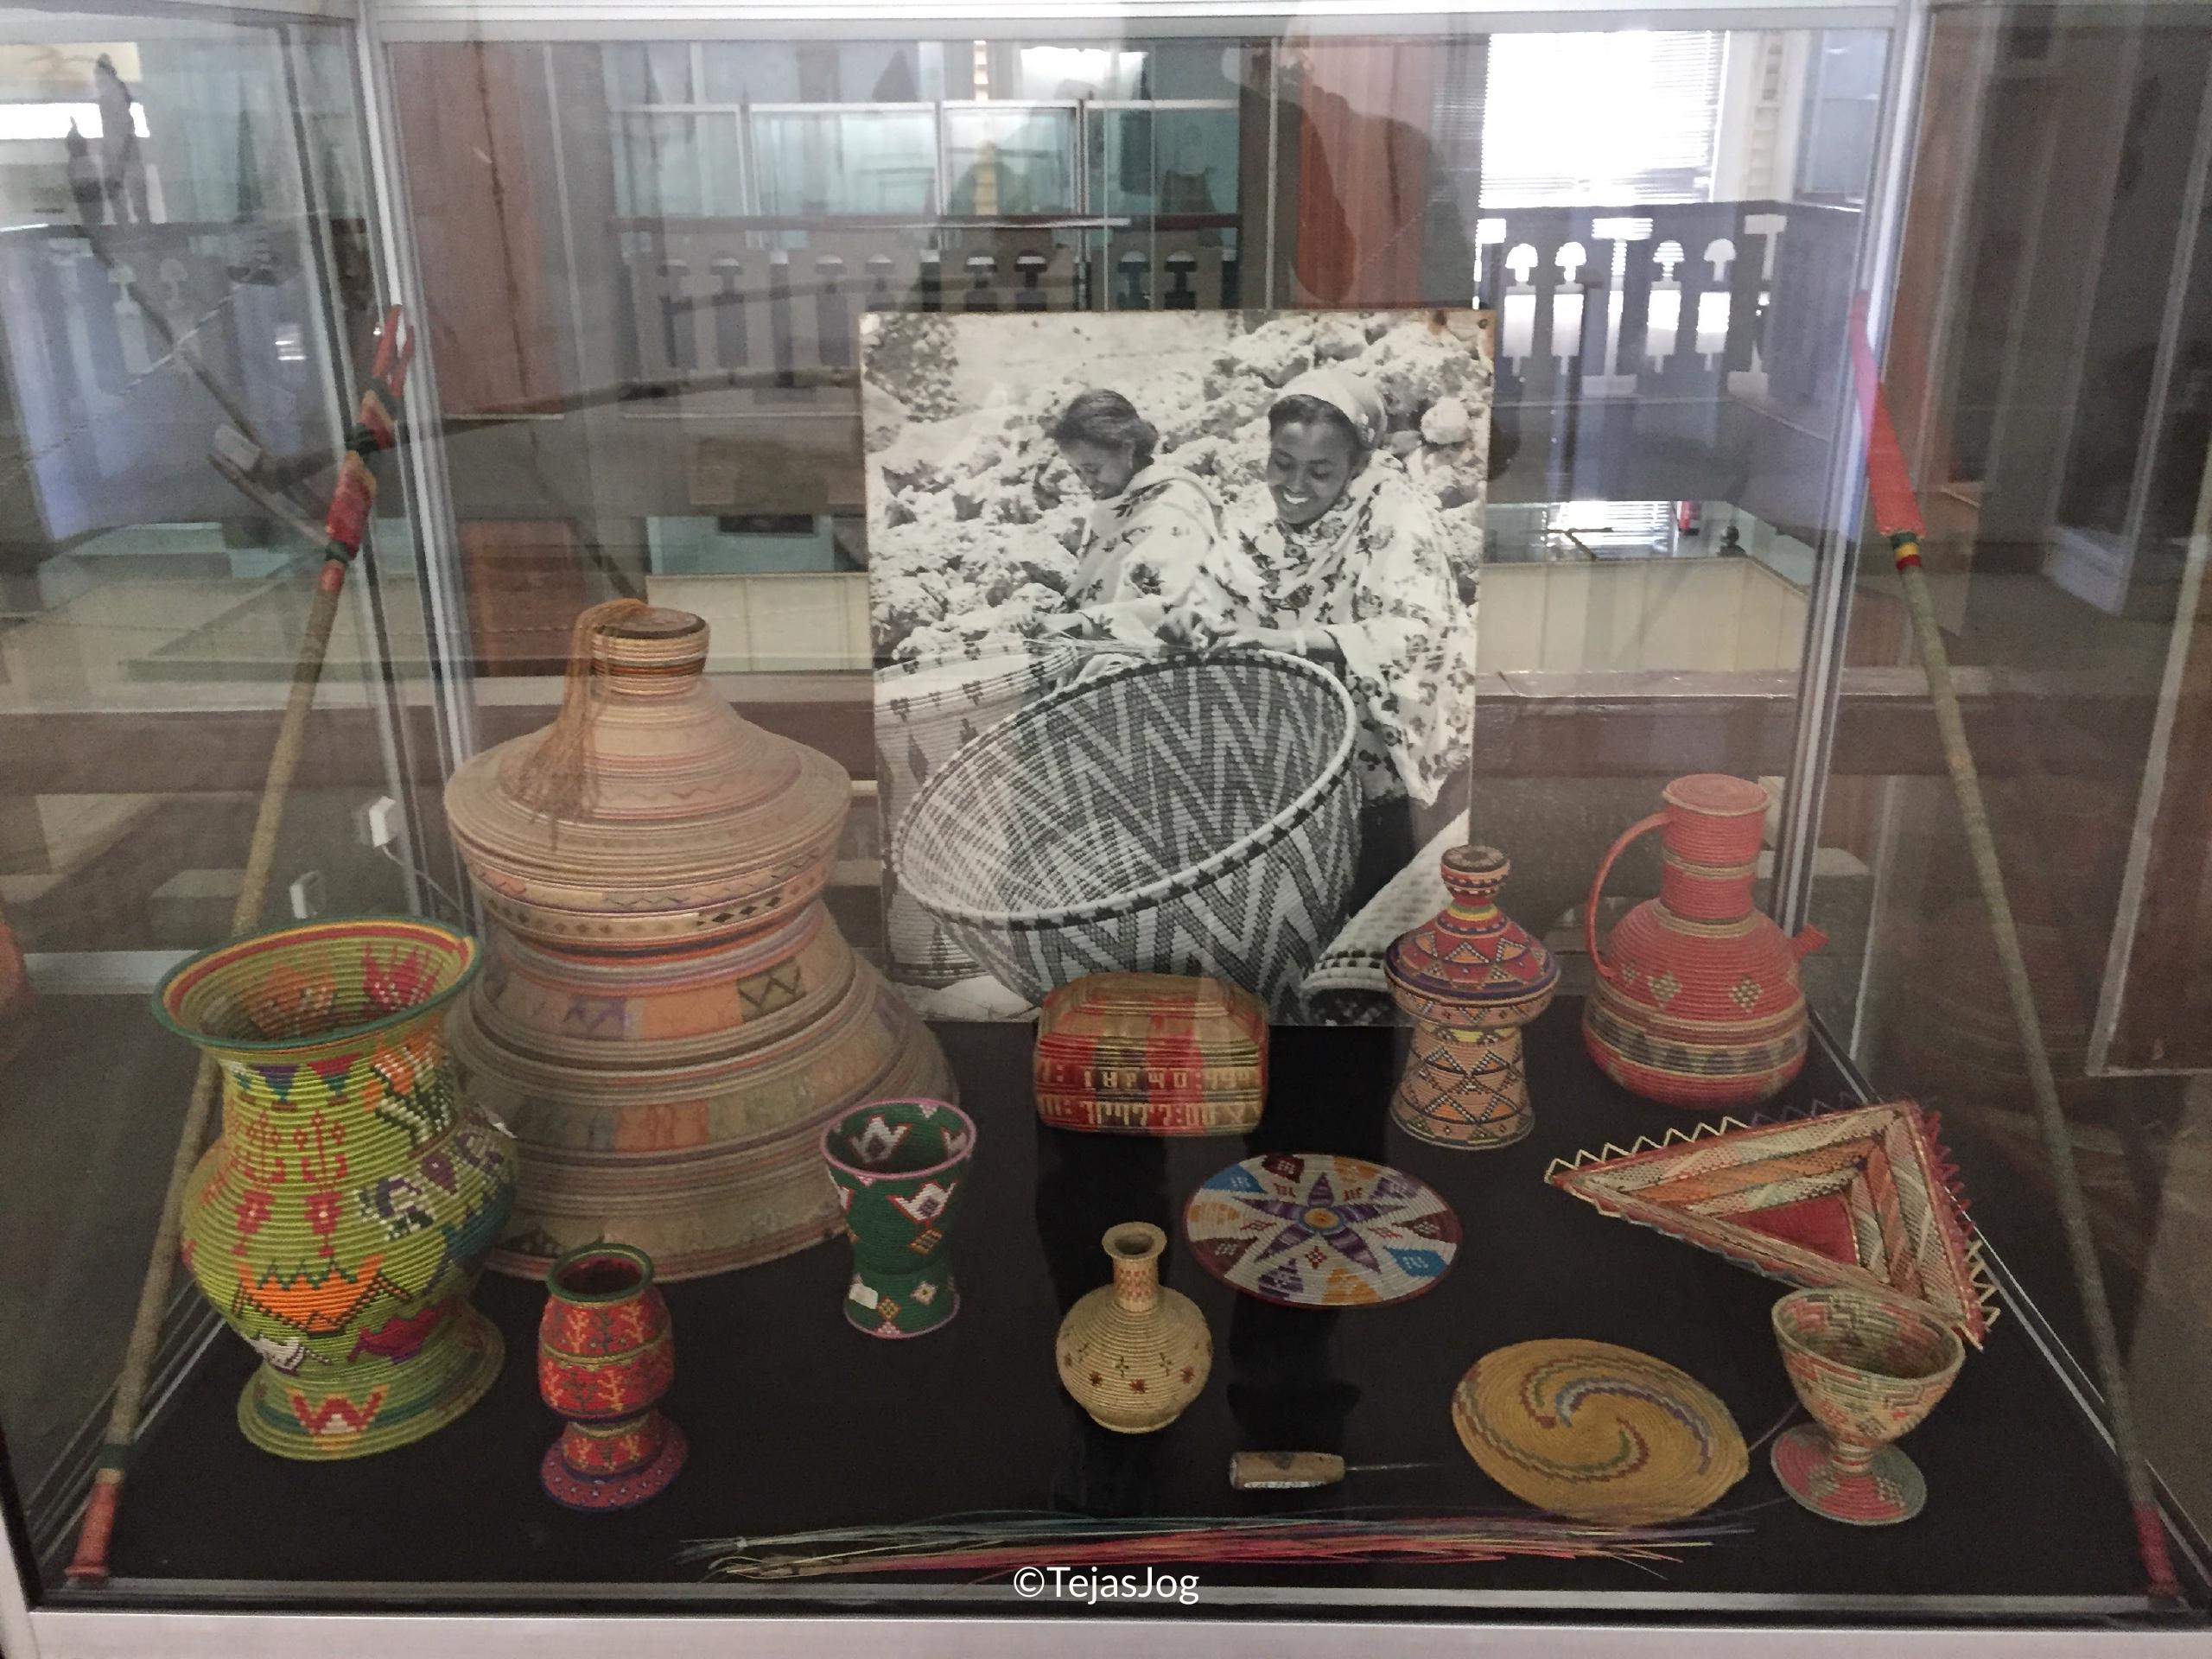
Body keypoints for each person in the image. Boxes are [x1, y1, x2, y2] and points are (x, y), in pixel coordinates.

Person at [1167, 365, 1476, 897]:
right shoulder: (1255, 517)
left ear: (1356, 465)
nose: (1293, 487)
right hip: (1291, 759)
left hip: (1384, 775)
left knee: (1370, 906)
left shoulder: (1393, 517)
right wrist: (1190, 618)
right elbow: (1215, 591)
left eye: (1319, 471)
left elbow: (1418, 633)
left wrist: (1289, 643)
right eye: (1282, 463)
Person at [1046, 389, 1221, 636]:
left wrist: (1085, 624)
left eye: (1093, 470)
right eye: (1077, 472)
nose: (1087, 482)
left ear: (1127, 448)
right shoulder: (1115, 503)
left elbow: (1174, 606)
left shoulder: (1174, 508)